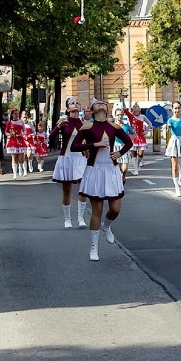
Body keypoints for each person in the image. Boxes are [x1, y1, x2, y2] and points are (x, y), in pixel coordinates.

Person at [71, 98, 133, 261]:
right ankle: (94, 248)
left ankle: (107, 226)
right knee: (97, 209)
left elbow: (129, 142)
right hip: (95, 170)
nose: (101, 104)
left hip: (111, 170)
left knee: (116, 208)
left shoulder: (114, 126)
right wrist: (94, 145)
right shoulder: (88, 126)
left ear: (107, 109)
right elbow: (74, 146)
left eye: (103, 103)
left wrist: (120, 153)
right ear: (92, 109)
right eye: (97, 103)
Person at [50, 97, 89, 229]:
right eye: (72, 103)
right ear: (67, 108)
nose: (75, 104)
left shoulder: (83, 123)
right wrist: (57, 126)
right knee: (67, 190)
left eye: (76, 102)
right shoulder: (64, 121)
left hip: (80, 158)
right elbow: (51, 137)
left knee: (83, 188)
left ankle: (81, 217)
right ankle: (67, 219)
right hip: (66, 157)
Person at [121, 99, 152, 175]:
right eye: (134, 106)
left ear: (139, 109)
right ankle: (135, 169)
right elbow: (124, 109)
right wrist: (122, 100)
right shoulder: (131, 116)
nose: (136, 108)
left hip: (141, 137)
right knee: (134, 154)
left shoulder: (143, 116)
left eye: (137, 106)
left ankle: (137, 165)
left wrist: (146, 131)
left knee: (140, 154)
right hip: (133, 136)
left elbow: (150, 124)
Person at [4, 107, 28, 179]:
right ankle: (15, 174)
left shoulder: (21, 122)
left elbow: (25, 131)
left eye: (17, 114)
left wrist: (22, 134)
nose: (16, 115)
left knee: (21, 157)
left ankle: (21, 167)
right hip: (13, 141)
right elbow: (6, 131)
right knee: (14, 157)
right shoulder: (9, 123)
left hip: (20, 140)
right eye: (15, 114)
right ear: (12, 115)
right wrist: (9, 134)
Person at [113, 107, 132, 183]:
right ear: (115, 115)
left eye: (121, 114)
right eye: (118, 115)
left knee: (125, 168)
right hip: (115, 147)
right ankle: (119, 180)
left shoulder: (126, 126)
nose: (119, 116)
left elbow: (133, 134)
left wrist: (129, 139)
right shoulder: (112, 126)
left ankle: (123, 177)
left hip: (124, 147)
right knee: (118, 166)